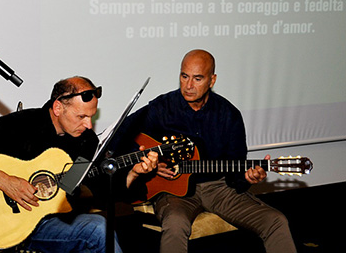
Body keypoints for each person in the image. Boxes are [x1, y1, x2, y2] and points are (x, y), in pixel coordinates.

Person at [111, 49, 296, 253]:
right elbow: (118, 138)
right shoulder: (161, 108)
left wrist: (248, 178)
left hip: (219, 188)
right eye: (184, 76)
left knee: (275, 221)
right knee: (175, 223)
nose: (189, 86)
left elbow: (236, 174)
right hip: (175, 191)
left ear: (212, 80)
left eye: (197, 78)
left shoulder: (228, 114)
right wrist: (152, 164)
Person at [0, 76, 158, 253]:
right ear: (58, 107)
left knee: (98, 232)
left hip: (53, 220)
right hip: (8, 225)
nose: (88, 125)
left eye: (91, 117)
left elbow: (101, 189)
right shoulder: (22, 125)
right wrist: (6, 182)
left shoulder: (85, 141)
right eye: (81, 116)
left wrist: (133, 173)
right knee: (98, 230)